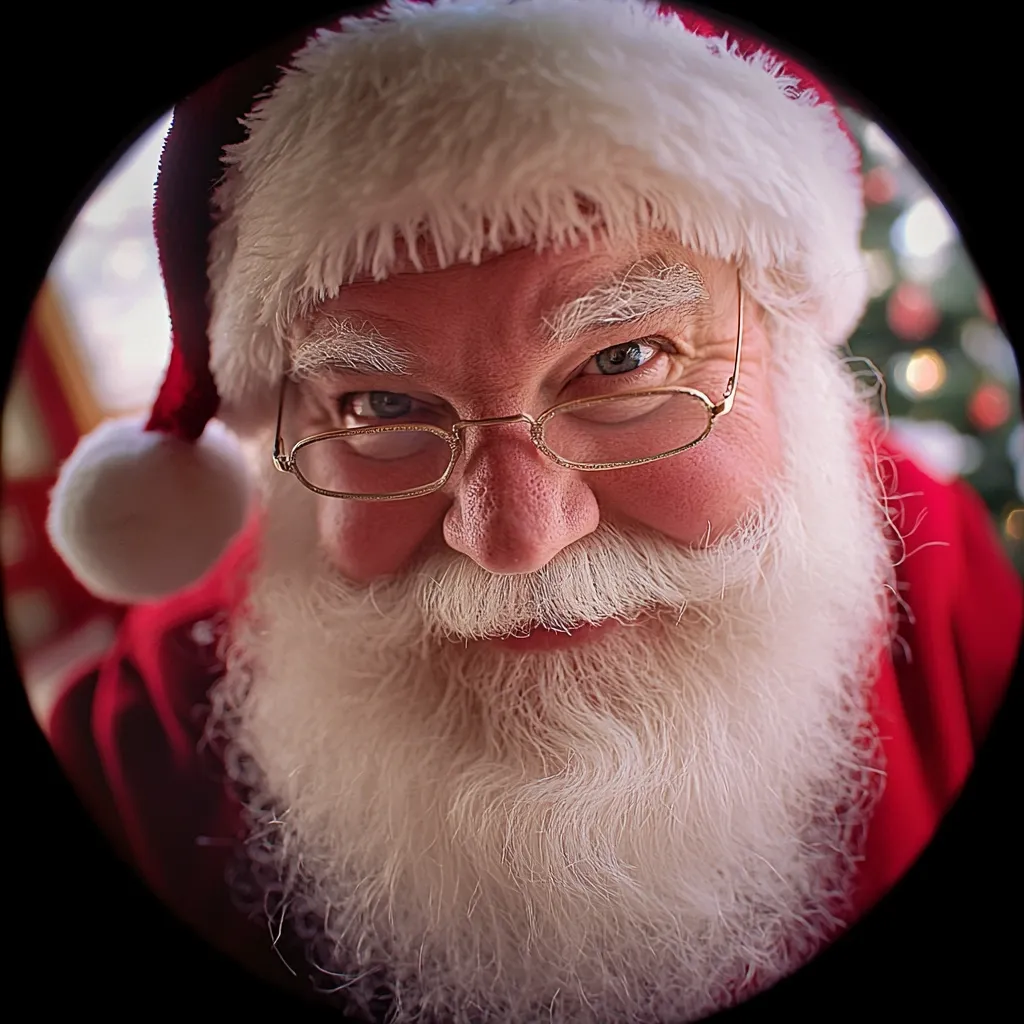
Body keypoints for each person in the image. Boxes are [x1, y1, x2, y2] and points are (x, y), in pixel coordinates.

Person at [40, 1, 1021, 1021]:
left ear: (781, 341)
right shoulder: (139, 757)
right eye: (381, 405)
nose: (516, 538)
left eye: (622, 359)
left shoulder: (942, 576)